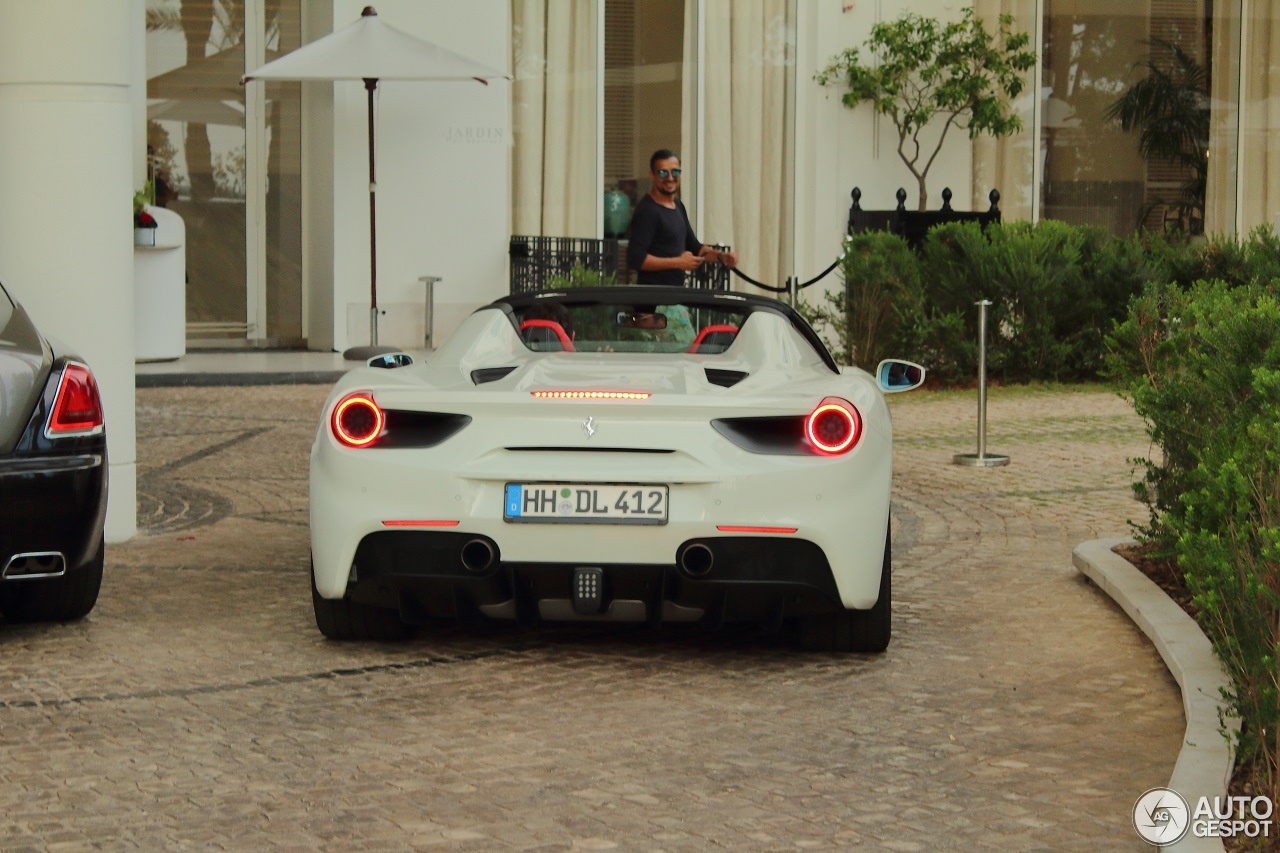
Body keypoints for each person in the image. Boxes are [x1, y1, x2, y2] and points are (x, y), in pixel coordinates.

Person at [626, 149, 738, 286]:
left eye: (675, 172)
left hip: (675, 294)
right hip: (653, 298)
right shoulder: (647, 210)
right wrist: (678, 262)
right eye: (663, 173)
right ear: (652, 175)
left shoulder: (677, 205)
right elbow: (635, 258)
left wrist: (722, 257)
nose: (670, 178)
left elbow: (694, 246)